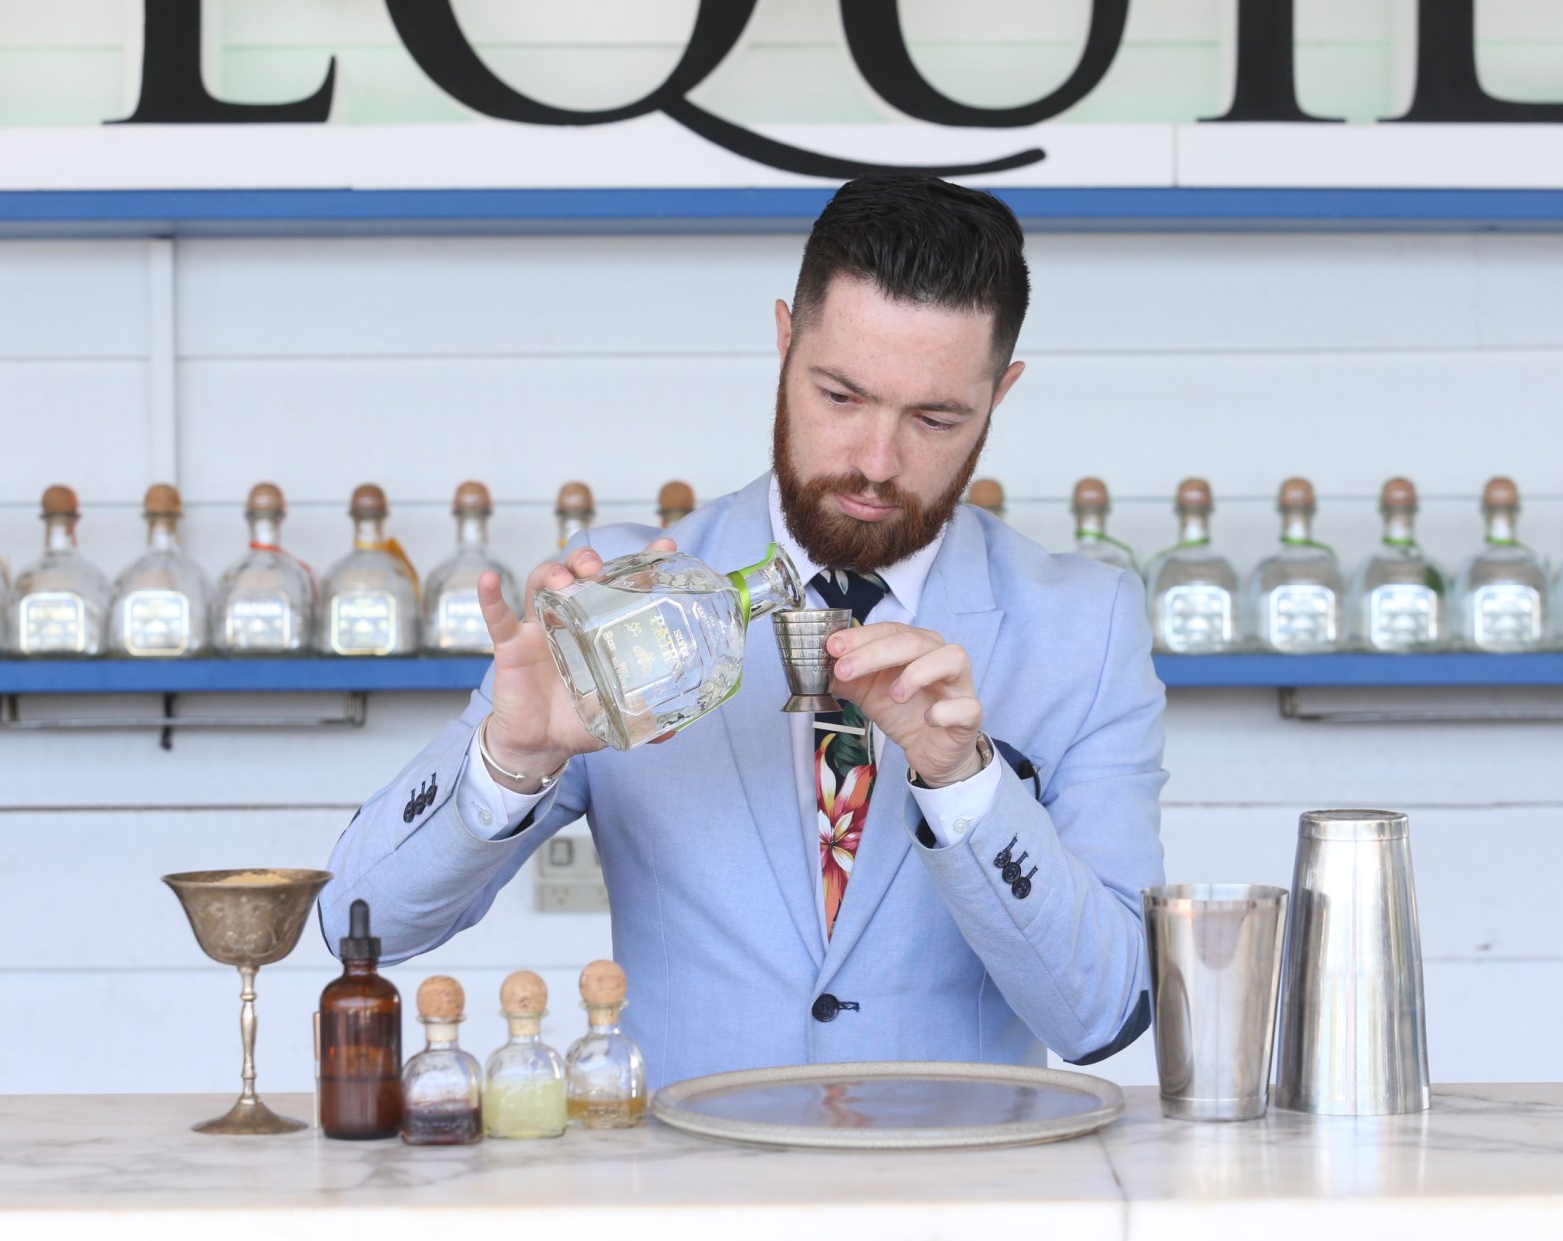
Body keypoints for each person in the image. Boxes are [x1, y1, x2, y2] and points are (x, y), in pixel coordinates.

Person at [322, 174, 1168, 1088]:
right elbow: (363, 920)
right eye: (840, 396)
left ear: (1000, 395)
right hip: (682, 1171)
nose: (875, 463)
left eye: (933, 418)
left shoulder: (1085, 627)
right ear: (783, 339)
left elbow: (1102, 1014)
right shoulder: (612, 600)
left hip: (955, 1173)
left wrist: (964, 786)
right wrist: (511, 755)